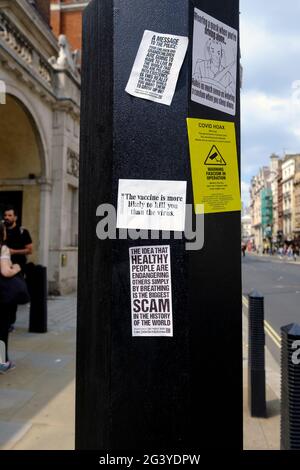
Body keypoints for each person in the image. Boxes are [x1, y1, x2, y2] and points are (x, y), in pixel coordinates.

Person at [3, 206, 33, 330]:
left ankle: (10, 322)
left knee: (12, 295)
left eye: (10, 215)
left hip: (17, 268)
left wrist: (14, 252)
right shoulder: (2, 230)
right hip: (3, 266)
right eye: (5, 215)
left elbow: (30, 250)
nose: (7, 218)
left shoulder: (22, 231)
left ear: (15, 217)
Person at [0, 221, 20, 373]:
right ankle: (2, 362)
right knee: (2, 329)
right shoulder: (3, 249)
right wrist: (16, 268)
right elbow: (6, 272)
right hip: (2, 296)